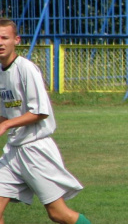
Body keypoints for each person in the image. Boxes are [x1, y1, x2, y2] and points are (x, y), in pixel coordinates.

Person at [0, 18, 91, 224]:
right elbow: (8, 113)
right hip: (14, 150)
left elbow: (40, 112)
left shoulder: (26, 69)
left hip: (35, 149)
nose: (0, 42)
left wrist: (5, 125)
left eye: (5, 37)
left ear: (16, 40)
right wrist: (4, 122)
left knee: (58, 213)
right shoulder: (1, 72)